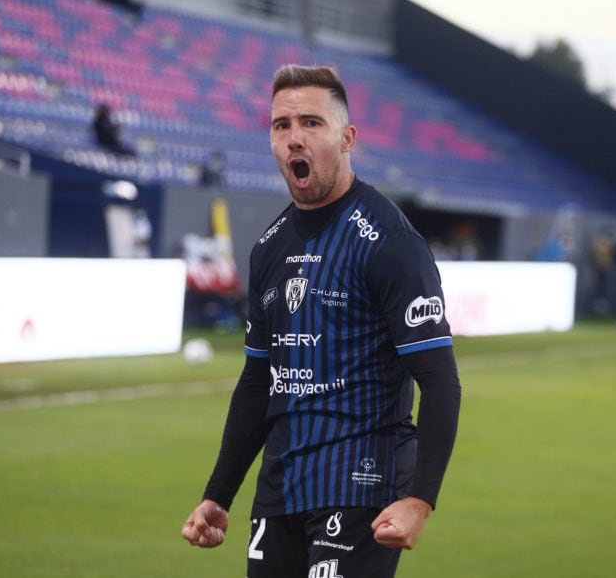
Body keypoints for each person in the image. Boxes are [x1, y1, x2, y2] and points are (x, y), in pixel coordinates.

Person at [181, 65, 462, 578]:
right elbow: (257, 381)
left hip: (362, 490)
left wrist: (419, 499)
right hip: (280, 489)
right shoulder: (269, 247)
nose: (294, 139)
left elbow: (440, 381)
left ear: (347, 137)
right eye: (281, 125)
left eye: (311, 123)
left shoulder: (389, 242)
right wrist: (218, 495)